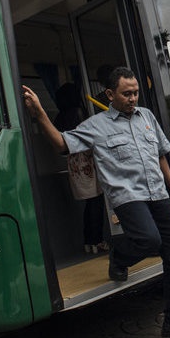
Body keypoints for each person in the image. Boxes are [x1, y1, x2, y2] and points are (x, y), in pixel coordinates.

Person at [22, 67, 170, 338]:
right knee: (149, 241)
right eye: (126, 93)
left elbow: (160, 155)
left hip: (158, 192)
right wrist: (39, 114)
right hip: (128, 196)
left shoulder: (148, 117)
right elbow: (62, 143)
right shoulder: (97, 126)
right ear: (110, 94)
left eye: (136, 93)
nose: (133, 98)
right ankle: (119, 255)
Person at [52, 82, 108, 255]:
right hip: (88, 161)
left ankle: (89, 241)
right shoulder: (78, 113)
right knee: (96, 202)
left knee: (89, 204)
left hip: (75, 164)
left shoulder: (60, 117)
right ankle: (97, 241)